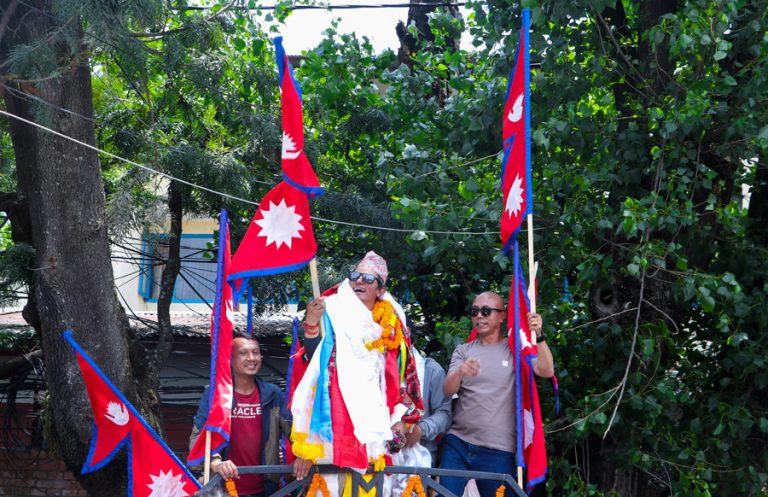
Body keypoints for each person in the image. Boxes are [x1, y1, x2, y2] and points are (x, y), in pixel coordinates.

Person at [290, 251, 424, 495]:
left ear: (381, 290)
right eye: (355, 276)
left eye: (368, 279)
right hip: (334, 420)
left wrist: (399, 419)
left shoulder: (393, 324)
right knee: (328, 486)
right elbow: (314, 360)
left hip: (374, 425)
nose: (359, 281)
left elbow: (402, 376)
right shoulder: (333, 309)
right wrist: (312, 323)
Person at [439, 291, 554, 497]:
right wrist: (460, 371)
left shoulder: (515, 350)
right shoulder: (463, 350)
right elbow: (448, 390)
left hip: (498, 450)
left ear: (502, 316)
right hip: (458, 443)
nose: (479, 316)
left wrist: (540, 335)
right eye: (474, 312)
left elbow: (546, 371)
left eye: (486, 311)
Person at [190, 331, 292, 497]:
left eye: (256, 352)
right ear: (229, 359)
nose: (251, 358)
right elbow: (198, 438)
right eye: (243, 353)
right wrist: (216, 463)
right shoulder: (215, 396)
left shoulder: (272, 394)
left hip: (267, 490)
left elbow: (295, 431)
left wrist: (305, 455)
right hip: (223, 490)